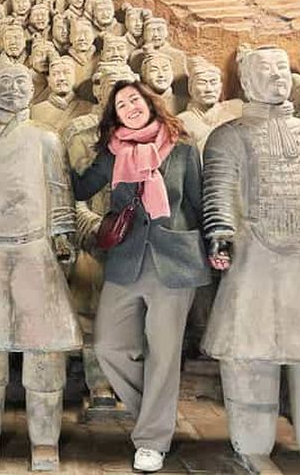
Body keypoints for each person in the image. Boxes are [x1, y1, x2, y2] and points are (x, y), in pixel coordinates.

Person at [70, 80, 210, 473]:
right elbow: (78, 187)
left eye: (134, 99)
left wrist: (214, 248)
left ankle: (152, 440)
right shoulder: (112, 152)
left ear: (149, 103)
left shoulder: (183, 148)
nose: (129, 107)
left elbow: (197, 203)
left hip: (174, 262)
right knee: (108, 346)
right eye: (120, 104)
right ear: (114, 116)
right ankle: (156, 415)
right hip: (126, 261)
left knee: (164, 355)